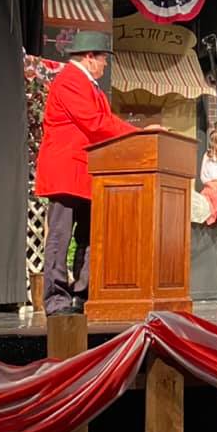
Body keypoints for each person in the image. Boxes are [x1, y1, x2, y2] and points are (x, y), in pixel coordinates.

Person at [34, 31, 139, 316]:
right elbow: (95, 123)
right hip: (67, 171)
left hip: (88, 173)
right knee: (60, 235)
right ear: (90, 57)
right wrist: (139, 134)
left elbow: (103, 122)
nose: (105, 65)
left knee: (88, 237)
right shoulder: (70, 80)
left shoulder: (90, 86)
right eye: (103, 58)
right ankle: (56, 299)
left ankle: (81, 295)